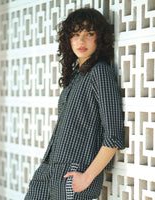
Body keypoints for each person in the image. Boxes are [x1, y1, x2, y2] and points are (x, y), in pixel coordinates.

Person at [24, 7, 125, 200]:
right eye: (76, 34)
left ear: (99, 38)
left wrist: (87, 177)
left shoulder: (100, 73)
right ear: (68, 39)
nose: (81, 41)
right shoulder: (75, 76)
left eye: (89, 34)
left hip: (74, 173)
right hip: (48, 170)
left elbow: (114, 136)